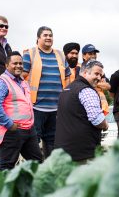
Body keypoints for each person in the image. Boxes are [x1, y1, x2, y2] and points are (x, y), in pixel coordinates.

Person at [22, 26, 71, 158]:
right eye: (45, 35)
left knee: (52, 142)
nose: (49, 37)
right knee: (33, 141)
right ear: (38, 38)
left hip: (56, 108)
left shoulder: (60, 55)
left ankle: (50, 171)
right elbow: (21, 76)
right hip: (35, 107)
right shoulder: (29, 54)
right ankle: (34, 171)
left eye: (50, 35)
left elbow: (67, 76)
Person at [0, 51, 42, 170]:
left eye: (21, 63)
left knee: (37, 163)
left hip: (29, 130)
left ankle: (31, 188)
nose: (19, 66)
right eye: (15, 63)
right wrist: (9, 124)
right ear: (6, 65)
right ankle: (2, 189)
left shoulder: (22, 82)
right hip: (12, 131)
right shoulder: (2, 82)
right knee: (7, 166)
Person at [55, 60, 108, 162]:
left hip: (63, 153)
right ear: (85, 72)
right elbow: (97, 120)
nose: (99, 78)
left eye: (100, 75)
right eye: (96, 74)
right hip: (83, 154)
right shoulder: (87, 90)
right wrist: (105, 125)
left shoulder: (66, 90)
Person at [0, 15, 12, 169]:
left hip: (6, 91)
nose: (4, 28)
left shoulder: (7, 46)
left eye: (6, 26)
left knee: (0, 128)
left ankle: (2, 167)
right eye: (0, 25)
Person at [82, 44, 111, 115]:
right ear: (83, 56)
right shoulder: (80, 68)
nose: (93, 56)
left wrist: (93, 82)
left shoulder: (99, 69)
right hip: (85, 105)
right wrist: (98, 83)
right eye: (90, 54)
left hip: (101, 106)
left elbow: (108, 86)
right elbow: (81, 84)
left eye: (94, 53)